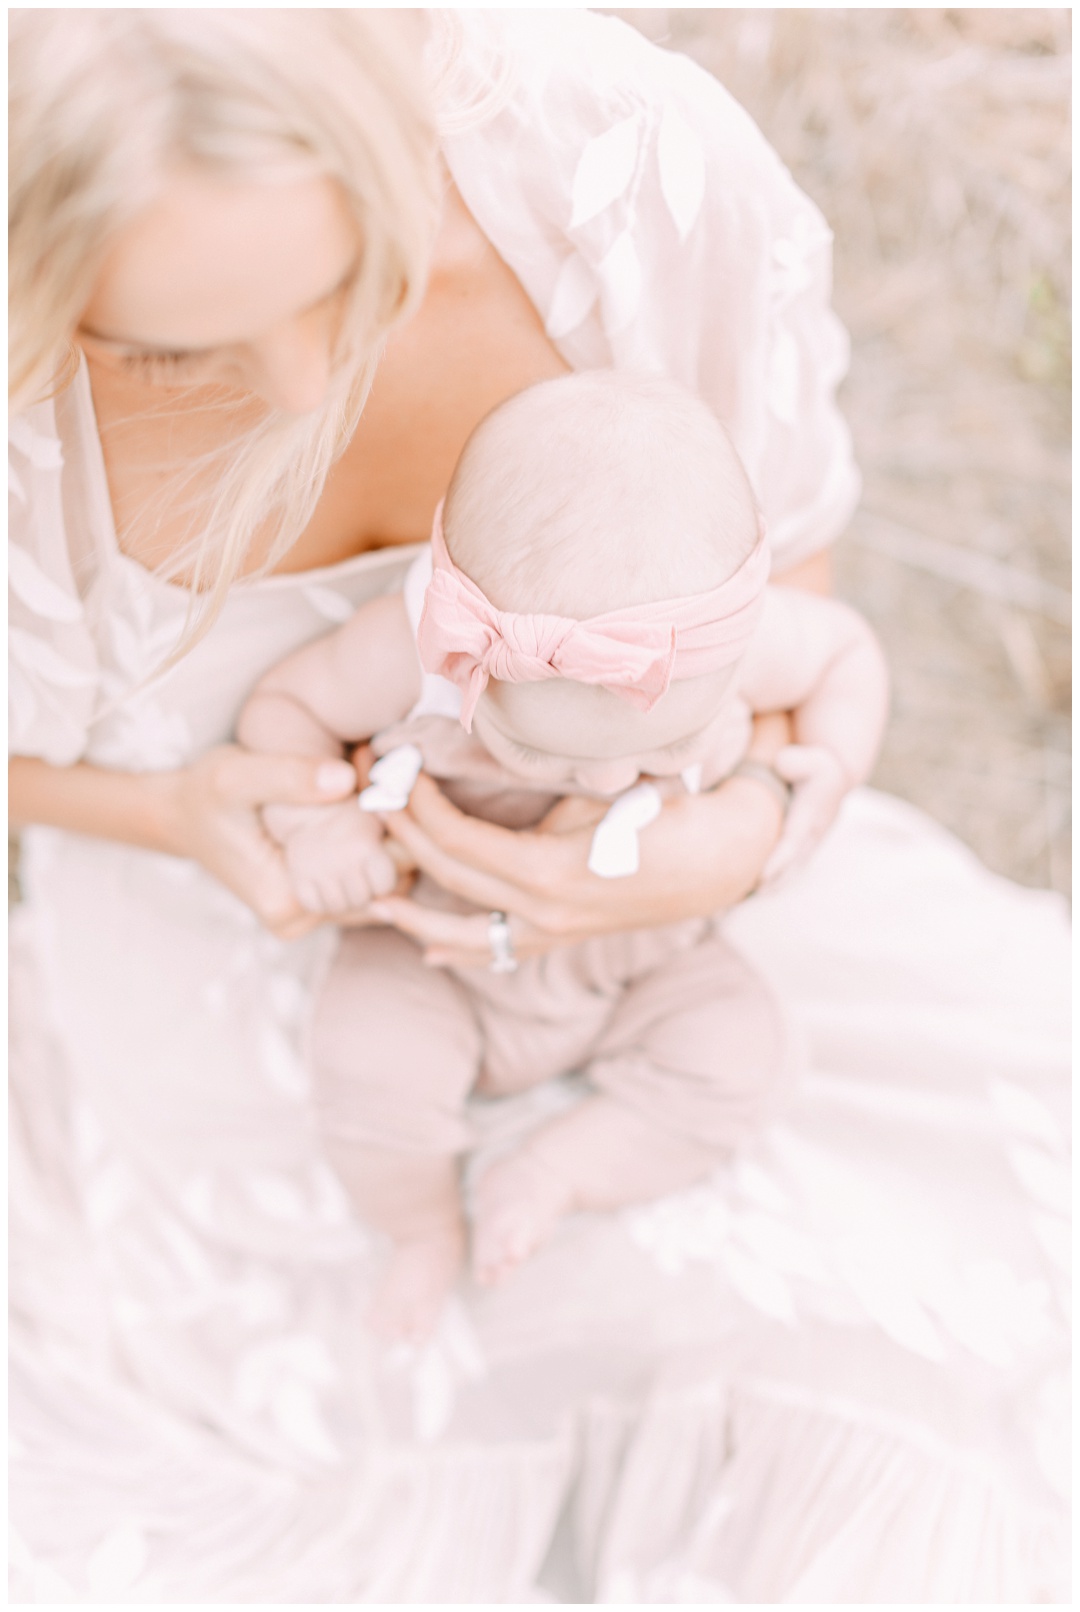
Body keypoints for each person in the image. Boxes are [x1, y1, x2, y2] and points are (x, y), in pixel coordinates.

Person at [8, 10, 1068, 1603]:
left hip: (668, 933)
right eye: (157, 346)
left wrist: (750, 829)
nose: (305, 383)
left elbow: (768, 579)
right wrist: (182, 818)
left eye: (353, 264)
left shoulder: (618, 169)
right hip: (231, 994)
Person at [237, 370, 889, 1341]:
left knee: (744, 1060)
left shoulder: (723, 645)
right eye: (544, 753)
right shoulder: (412, 652)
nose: (609, 782)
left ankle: (559, 1169)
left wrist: (828, 770)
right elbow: (282, 711)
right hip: (434, 953)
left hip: (649, 950)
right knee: (366, 1072)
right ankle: (419, 1228)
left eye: (667, 745)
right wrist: (319, 825)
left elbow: (848, 656)